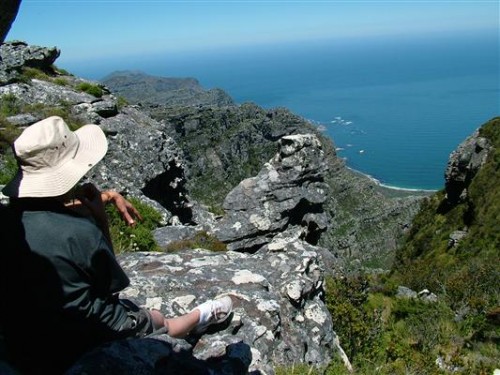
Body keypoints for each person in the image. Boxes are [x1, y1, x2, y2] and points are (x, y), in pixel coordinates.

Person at [0, 116, 232, 374]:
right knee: (155, 318)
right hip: (79, 339)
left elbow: (44, 216)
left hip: (21, 338)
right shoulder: (81, 233)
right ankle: (202, 316)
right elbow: (112, 288)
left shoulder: (9, 220)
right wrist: (101, 220)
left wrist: (108, 196)